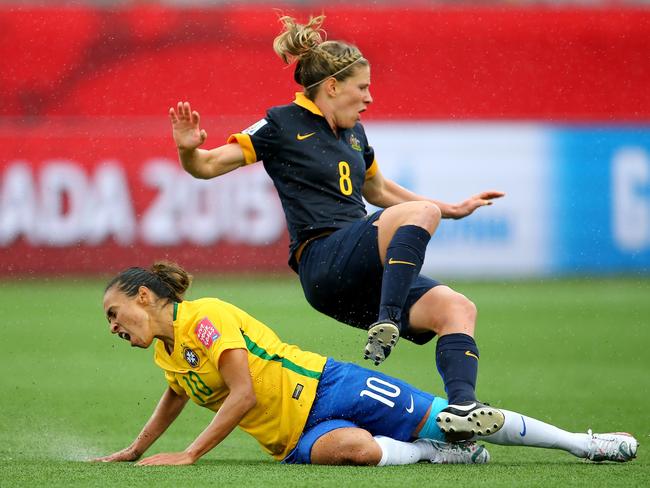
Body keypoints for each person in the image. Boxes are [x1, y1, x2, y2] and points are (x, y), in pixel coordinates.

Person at [169, 14, 505, 437]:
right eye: (362, 87)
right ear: (332, 86)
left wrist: (452, 208)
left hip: (359, 274)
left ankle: (461, 409)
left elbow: (380, 190)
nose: (369, 98)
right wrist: (187, 153)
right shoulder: (280, 124)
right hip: (323, 259)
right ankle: (387, 320)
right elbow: (208, 165)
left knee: (458, 308)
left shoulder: (355, 135)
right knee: (422, 214)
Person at [92, 262, 637, 466]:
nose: (113, 328)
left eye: (114, 312)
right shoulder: (169, 350)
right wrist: (136, 449)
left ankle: (583, 443)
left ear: (145, 296)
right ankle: (438, 457)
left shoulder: (204, 317)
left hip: (329, 387)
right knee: (353, 450)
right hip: (291, 441)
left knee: (457, 417)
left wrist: (188, 455)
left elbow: (244, 394)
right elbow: (178, 391)